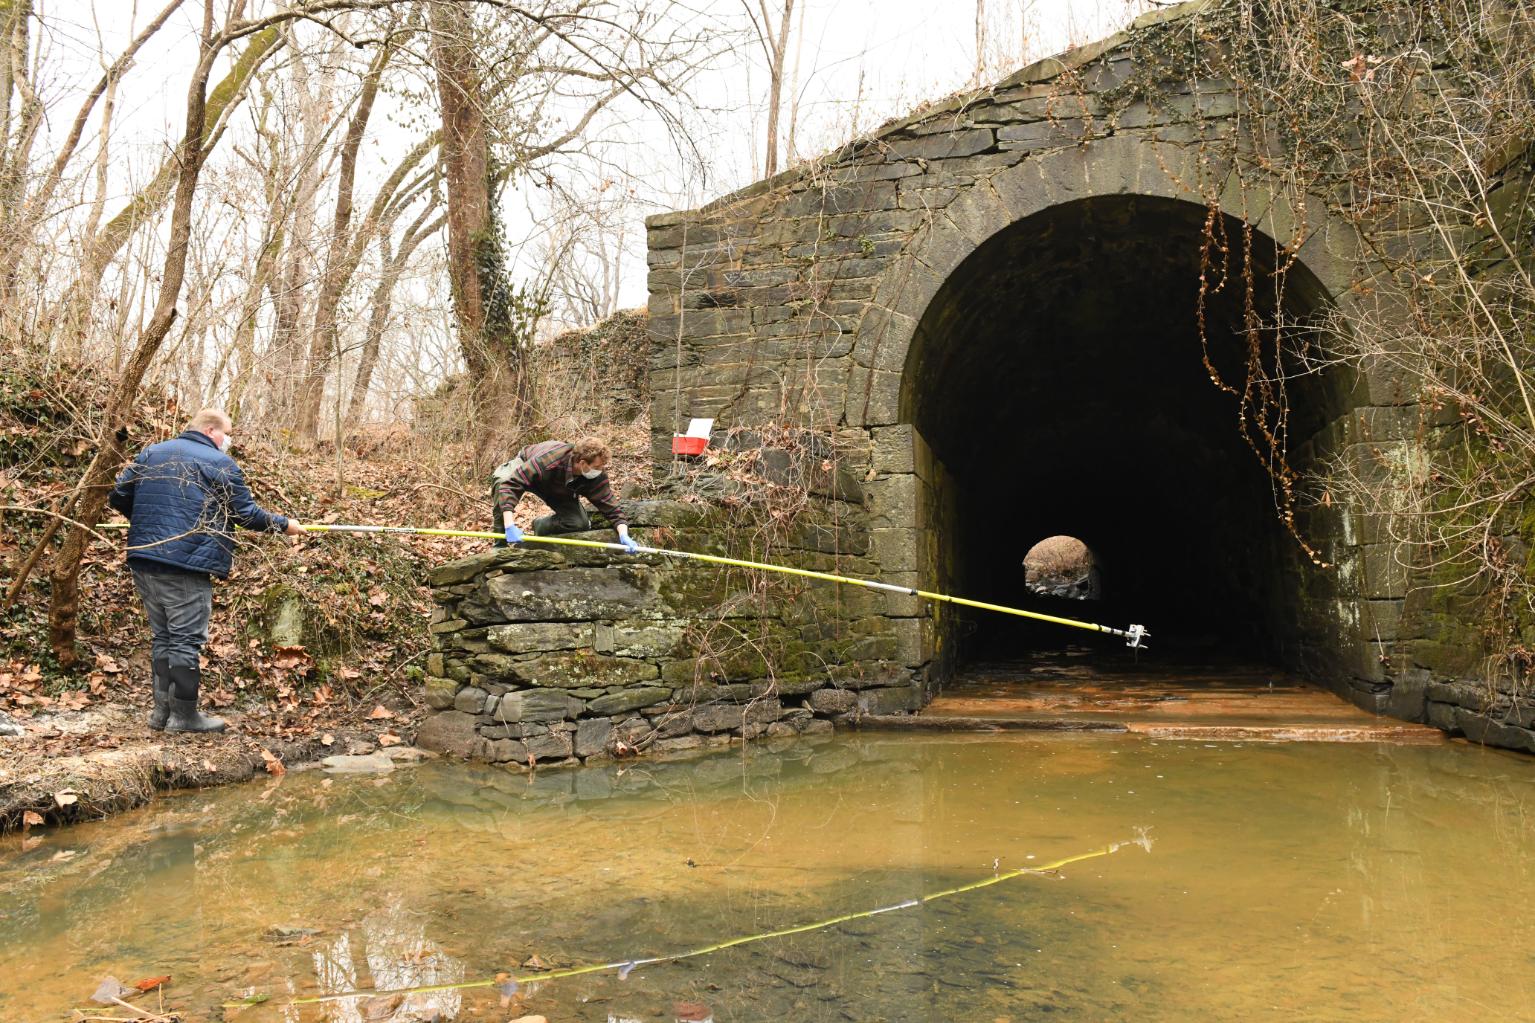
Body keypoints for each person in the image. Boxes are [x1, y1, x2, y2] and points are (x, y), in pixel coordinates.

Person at [109, 408, 304, 733]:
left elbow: (118, 496)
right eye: (227, 434)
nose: (228, 440)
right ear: (212, 431)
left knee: (164, 637)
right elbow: (245, 514)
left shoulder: (151, 453)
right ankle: (184, 716)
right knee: (185, 640)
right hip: (186, 564)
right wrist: (286, 526)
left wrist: (151, 527)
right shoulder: (219, 463)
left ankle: (161, 714)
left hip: (143, 559)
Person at [491, 437, 638, 552]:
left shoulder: (596, 476)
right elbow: (511, 485)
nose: (601, 470)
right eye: (597, 467)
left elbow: (611, 508)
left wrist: (624, 534)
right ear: (582, 463)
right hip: (528, 466)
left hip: (558, 487)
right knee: (502, 480)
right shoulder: (550, 459)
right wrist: (509, 525)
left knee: (578, 523)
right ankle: (500, 545)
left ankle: (539, 526)